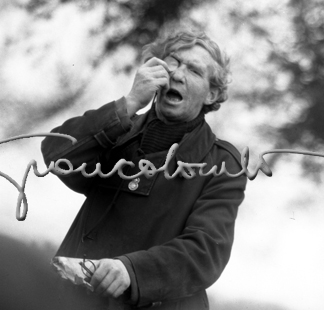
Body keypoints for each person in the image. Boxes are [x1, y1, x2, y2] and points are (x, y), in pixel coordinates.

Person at [41, 30, 247, 310]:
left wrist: (131, 271)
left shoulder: (223, 162)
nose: (177, 74)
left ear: (211, 94)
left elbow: (205, 252)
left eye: (195, 71)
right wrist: (128, 104)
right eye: (172, 62)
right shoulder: (117, 129)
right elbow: (56, 155)